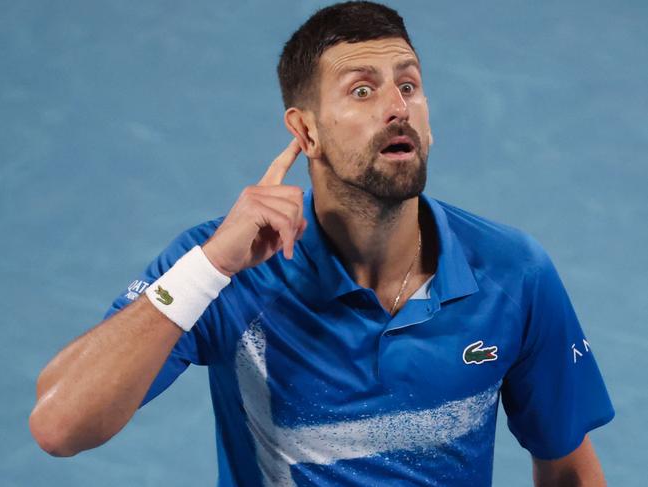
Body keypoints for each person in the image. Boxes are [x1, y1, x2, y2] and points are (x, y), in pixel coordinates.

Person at [30, 1, 614, 485]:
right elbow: (60, 426)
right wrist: (207, 269)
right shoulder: (222, 271)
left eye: (408, 85)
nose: (397, 108)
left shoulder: (514, 274)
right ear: (305, 130)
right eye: (362, 91)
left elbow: (568, 471)